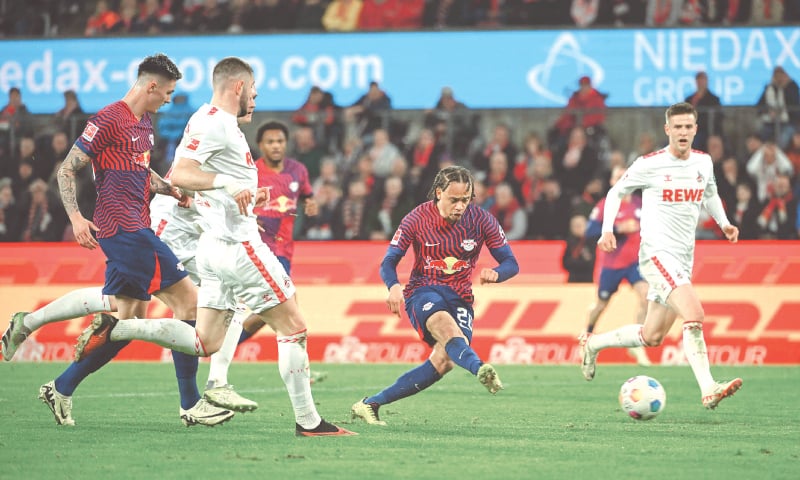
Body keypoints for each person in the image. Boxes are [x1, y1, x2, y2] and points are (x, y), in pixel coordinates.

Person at [72, 57, 354, 437]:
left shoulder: (211, 121)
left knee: (204, 341)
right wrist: (227, 184)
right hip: (239, 247)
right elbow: (182, 173)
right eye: (253, 90)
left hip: (213, 248)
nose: (255, 97)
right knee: (294, 327)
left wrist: (246, 192)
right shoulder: (217, 123)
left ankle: (121, 330)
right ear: (238, 87)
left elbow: (203, 179)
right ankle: (309, 422)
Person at [0, 54, 235, 427]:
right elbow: (67, 169)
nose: (168, 100)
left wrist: (168, 188)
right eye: (167, 93)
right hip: (123, 228)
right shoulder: (109, 118)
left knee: (127, 317)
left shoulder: (144, 123)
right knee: (188, 301)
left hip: (137, 224)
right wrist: (76, 217)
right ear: (151, 86)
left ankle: (56, 377)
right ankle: (191, 404)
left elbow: (138, 168)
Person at [579, 102, 742, 410]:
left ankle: (593, 343)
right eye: (677, 126)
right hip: (656, 254)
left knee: (652, 335)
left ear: (695, 129)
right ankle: (708, 388)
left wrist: (724, 223)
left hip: (683, 258)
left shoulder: (703, 162)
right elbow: (615, 192)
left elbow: (709, 194)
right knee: (694, 313)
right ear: (667, 129)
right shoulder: (649, 164)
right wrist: (607, 229)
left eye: (688, 126)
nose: (683, 132)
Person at [351, 165, 519, 426]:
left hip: (460, 297)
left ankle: (370, 404)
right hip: (423, 290)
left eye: (466, 199)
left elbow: (511, 263)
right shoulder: (416, 218)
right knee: (446, 327)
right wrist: (393, 286)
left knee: (444, 362)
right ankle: (480, 369)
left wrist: (497, 273)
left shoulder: (482, 220)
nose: (460, 206)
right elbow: (389, 261)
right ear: (439, 193)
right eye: (454, 199)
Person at [583, 165, 650, 366]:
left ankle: (637, 343)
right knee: (601, 304)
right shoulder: (605, 204)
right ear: (612, 182)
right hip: (611, 264)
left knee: (646, 296)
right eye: (618, 177)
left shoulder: (640, 203)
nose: (622, 180)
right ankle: (587, 335)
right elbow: (590, 231)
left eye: (625, 176)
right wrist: (618, 228)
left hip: (635, 262)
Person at [684, 71, 723, 152]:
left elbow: (718, 117)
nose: (701, 82)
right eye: (699, 80)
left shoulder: (714, 99)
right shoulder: (689, 99)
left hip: (707, 131)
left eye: (703, 80)